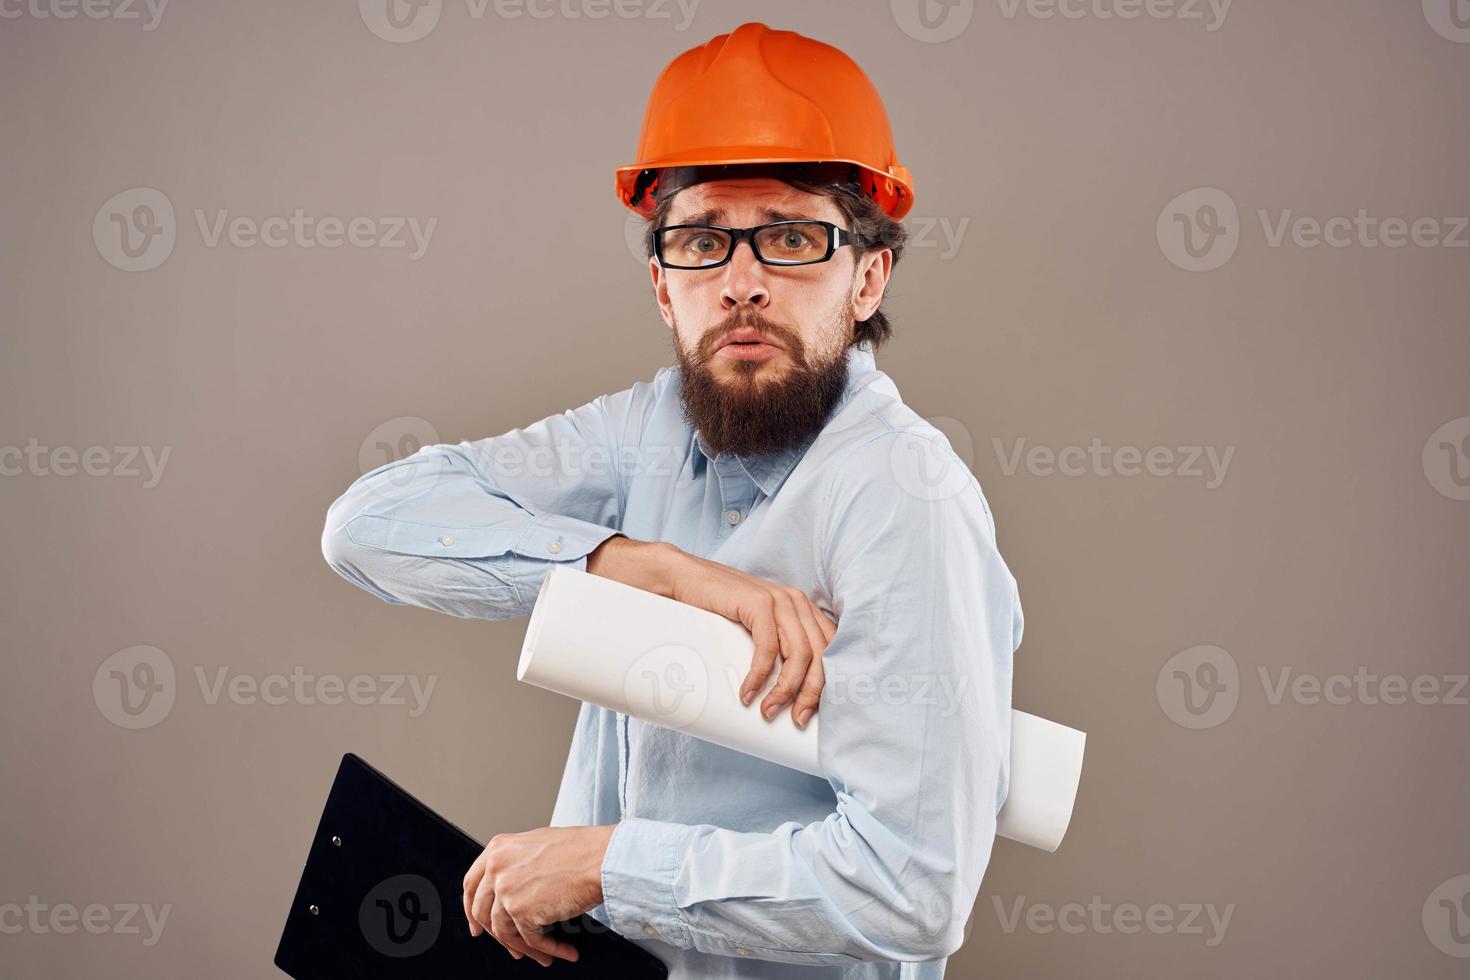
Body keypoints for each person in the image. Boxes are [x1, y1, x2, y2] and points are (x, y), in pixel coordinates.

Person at [321, 21, 1022, 979]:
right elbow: (368, 524)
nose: (742, 285)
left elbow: (913, 886)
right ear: (662, 285)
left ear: (868, 274)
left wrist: (608, 867)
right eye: (703, 241)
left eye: (787, 237)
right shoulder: (650, 432)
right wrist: (644, 570)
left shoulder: (905, 499)